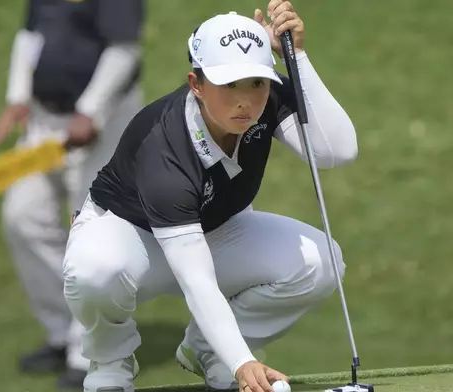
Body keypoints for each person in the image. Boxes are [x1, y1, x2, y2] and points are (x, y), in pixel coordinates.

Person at [63, 1, 358, 391]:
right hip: (128, 239)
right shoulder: (164, 145)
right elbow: (196, 279)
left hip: (214, 229)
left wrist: (296, 57)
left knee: (322, 262)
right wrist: (244, 363)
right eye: (228, 84)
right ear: (196, 84)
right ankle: (109, 363)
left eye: (256, 82)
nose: (245, 99)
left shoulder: (268, 98)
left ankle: (206, 350)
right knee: (93, 272)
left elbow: (337, 150)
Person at [0, 0, 144, 389]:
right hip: (43, 121)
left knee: (90, 235)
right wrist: (18, 96)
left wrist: (90, 111)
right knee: (22, 218)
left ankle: (90, 351)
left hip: (103, 123)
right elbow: (31, 34)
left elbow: (125, 49)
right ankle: (62, 332)